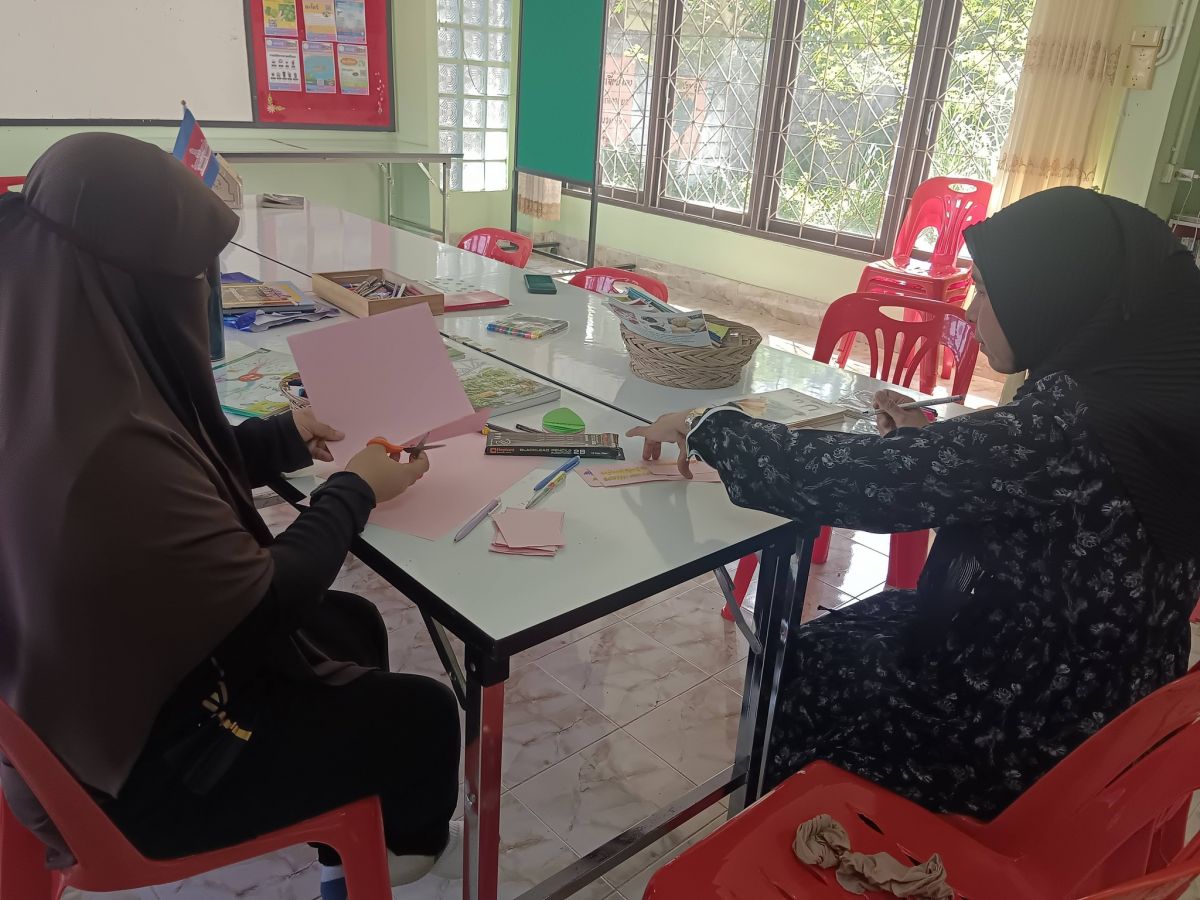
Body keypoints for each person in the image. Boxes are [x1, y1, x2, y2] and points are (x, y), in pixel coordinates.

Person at [629, 186, 1200, 818]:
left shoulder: (1064, 427)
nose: (972, 312)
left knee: (801, 661)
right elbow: (1038, 495)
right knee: (839, 638)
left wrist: (707, 426)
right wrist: (927, 444)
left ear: (1053, 295)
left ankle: (798, 831)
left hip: (1027, 722)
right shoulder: (1152, 395)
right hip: (1126, 698)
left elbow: (849, 481)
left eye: (986, 290)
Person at [0, 134, 461, 900]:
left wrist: (278, 439)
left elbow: (170, 471)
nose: (205, 294)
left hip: (89, 701)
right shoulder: (107, 451)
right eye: (194, 277)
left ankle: (341, 832)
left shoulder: (49, 368)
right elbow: (268, 599)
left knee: (350, 624)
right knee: (425, 716)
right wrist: (356, 488)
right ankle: (385, 857)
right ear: (138, 282)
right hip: (135, 779)